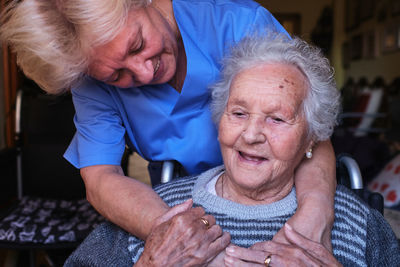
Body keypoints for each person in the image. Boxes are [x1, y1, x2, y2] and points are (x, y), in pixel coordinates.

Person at [0, 0, 336, 253]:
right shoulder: (92, 82)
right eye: (118, 76)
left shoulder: (233, 21)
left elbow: (310, 126)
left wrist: (315, 215)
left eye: (137, 44)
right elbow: (101, 178)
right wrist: (172, 231)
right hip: (185, 197)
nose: (144, 73)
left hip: (280, 190)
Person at [64, 33, 400, 266]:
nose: (251, 134)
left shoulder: (355, 223)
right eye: (238, 113)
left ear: (312, 138)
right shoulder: (159, 212)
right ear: (219, 120)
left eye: (277, 119)